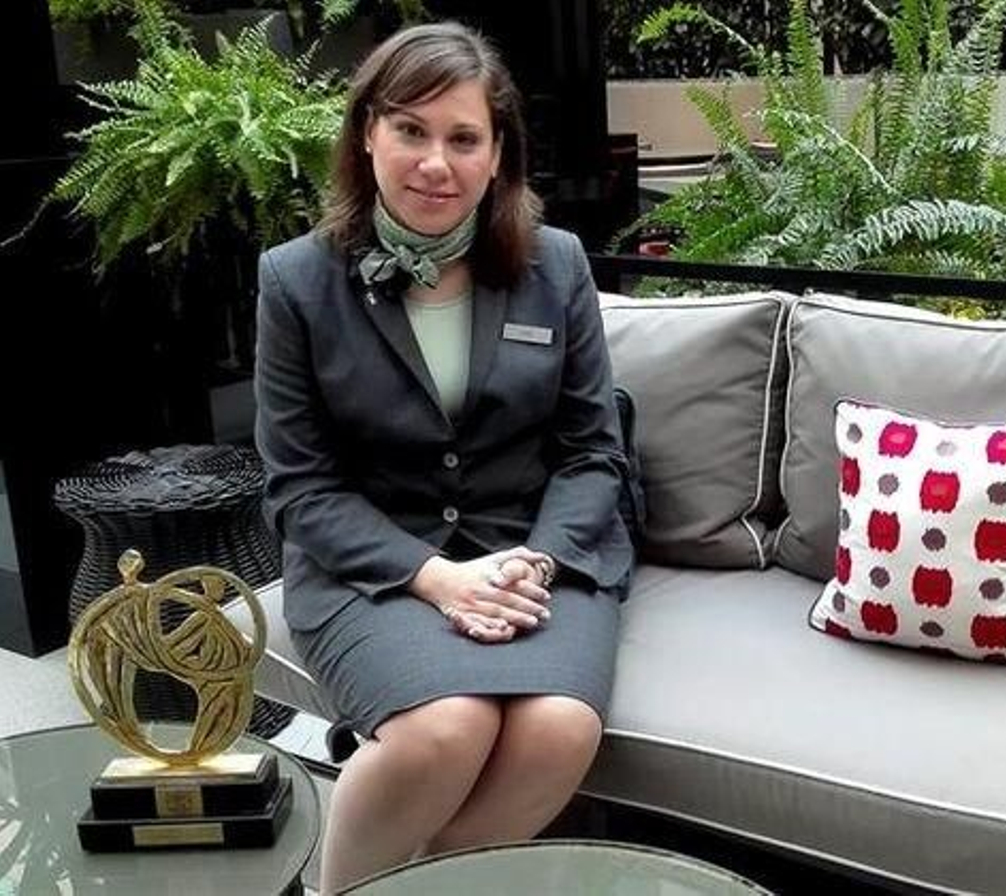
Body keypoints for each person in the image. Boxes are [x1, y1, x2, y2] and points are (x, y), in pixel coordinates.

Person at [253, 22, 633, 893]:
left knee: (558, 730)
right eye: (411, 131)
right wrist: (434, 576)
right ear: (367, 135)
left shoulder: (555, 265)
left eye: (464, 138)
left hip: (538, 550)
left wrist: (535, 559)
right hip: (373, 561)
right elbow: (300, 487)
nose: (437, 162)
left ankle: (419, 882)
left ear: (498, 155)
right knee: (443, 729)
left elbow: (591, 452)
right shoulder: (295, 281)